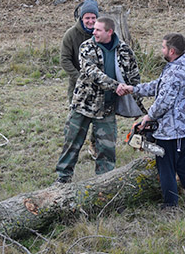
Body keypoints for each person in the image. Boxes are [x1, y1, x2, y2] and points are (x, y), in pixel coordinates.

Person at [117, 33, 185, 211]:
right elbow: (158, 86)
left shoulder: (176, 72)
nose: (161, 50)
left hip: (174, 129)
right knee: (183, 164)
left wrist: (148, 117)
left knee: (167, 166)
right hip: (181, 128)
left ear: (172, 50)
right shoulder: (177, 67)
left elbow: (163, 102)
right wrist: (134, 89)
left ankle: (171, 204)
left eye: (163, 47)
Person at [55, 16, 140, 183]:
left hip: (107, 108)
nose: (93, 32)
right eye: (93, 29)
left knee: (107, 149)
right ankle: (63, 179)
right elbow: (92, 72)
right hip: (83, 105)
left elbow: (134, 76)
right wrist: (116, 86)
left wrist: (136, 101)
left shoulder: (124, 50)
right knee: (71, 143)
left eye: (98, 29)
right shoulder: (86, 47)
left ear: (109, 32)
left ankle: (104, 183)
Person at [60, 0, 100, 159]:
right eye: (87, 18)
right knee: (76, 120)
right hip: (78, 86)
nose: (90, 21)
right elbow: (64, 60)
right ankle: (70, 152)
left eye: (93, 18)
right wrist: (80, 78)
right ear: (81, 18)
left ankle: (95, 146)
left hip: (99, 86)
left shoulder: (103, 33)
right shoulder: (70, 35)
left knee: (99, 119)